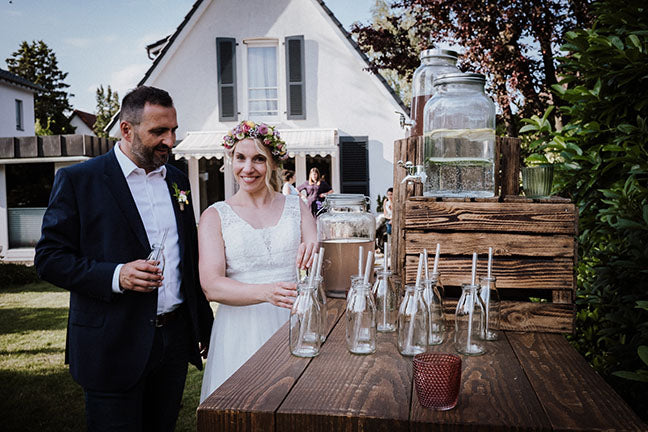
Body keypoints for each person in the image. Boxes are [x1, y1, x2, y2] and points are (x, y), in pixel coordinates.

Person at [34, 86, 214, 432]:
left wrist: (201, 323)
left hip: (173, 341)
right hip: (111, 343)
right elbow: (49, 258)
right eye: (158, 132)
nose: (170, 141)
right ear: (126, 130)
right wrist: (116, 275)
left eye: (173, 130)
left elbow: (185, 258)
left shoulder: (177, 181)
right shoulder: (79, 180)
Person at [199, 120, 318, 402]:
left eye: (258, 159)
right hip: (239, 330)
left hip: (293, 321)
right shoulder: (215, 215)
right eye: (240, 158)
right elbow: (212, 286)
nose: (248, 168)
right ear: (231, 160)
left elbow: (320, 259)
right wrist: (265, 292)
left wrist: (315, 246)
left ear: (273, 164)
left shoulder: (296, 206)